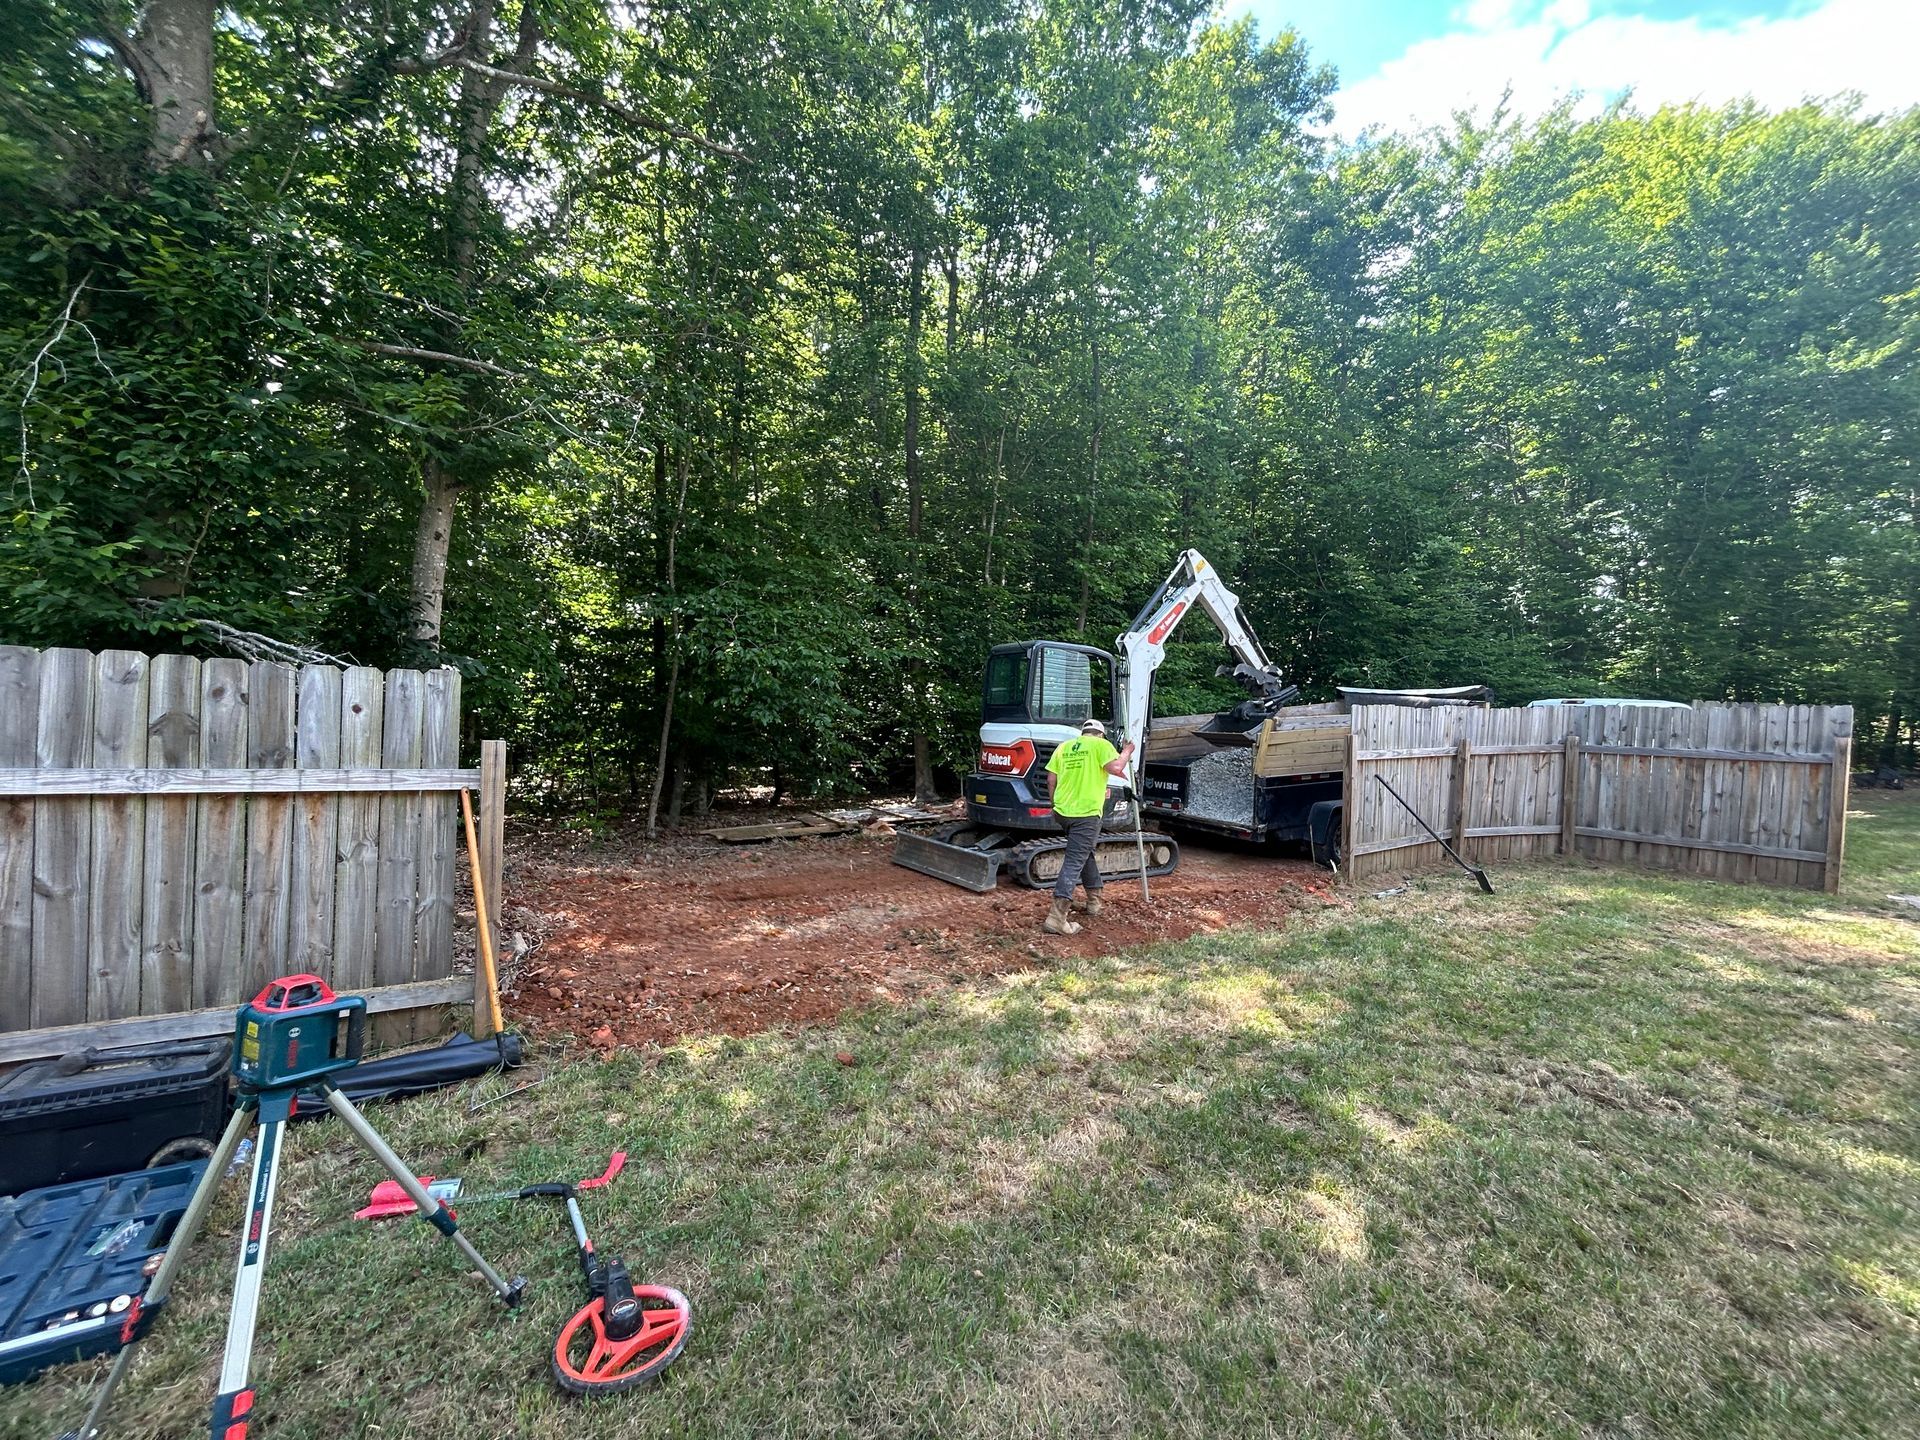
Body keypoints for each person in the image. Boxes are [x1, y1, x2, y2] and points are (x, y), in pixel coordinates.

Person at [1041, 718, 1136, 935]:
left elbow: (1050, 780)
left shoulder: (1064, 747)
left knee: (1084, 853)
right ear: (1101, 734)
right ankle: (1056, 918)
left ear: (1083, 733)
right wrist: (1127, 750)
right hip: (1086, 814)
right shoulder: (1101, 745)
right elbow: (1117, 767)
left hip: (1063, 812)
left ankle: (1094, 902)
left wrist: (1054, 803)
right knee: (1075, 860)